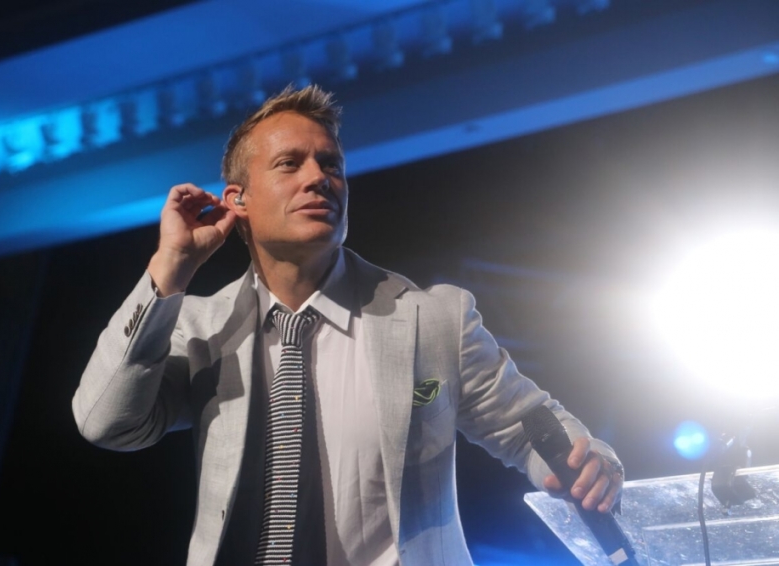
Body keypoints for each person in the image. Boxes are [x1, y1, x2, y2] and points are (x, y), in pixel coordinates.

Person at [73, 85, 623, 566]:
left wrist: (590, 460)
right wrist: (172, 268)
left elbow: (530, 424)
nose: (319, 178)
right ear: (236, 200)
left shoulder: (433, 320)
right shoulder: (198, 326)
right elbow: (106, 423)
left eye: (330, 164)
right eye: (290, 164)